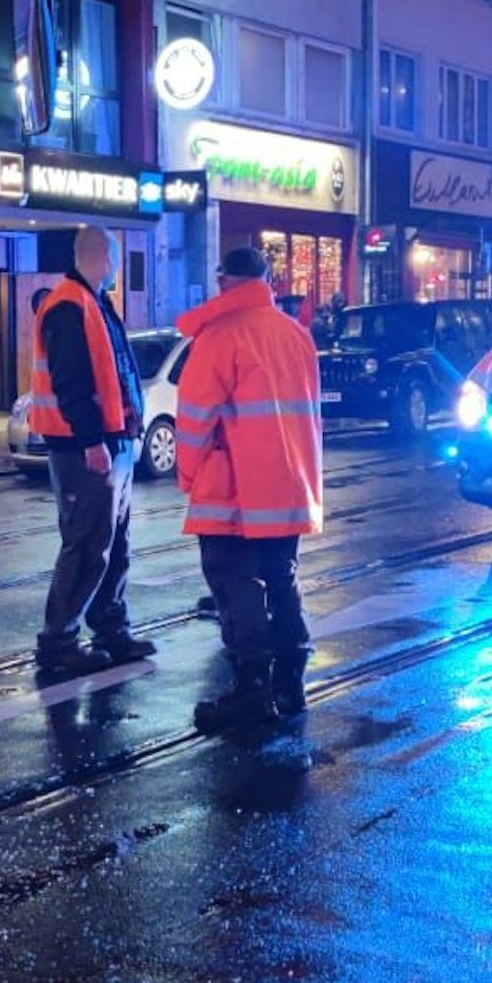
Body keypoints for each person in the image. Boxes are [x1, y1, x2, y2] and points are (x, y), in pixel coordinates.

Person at [177, 246, 324, 732]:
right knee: (282, 580)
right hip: (288, 484)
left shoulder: (219, 336)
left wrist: (189, 475)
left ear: (224, 281)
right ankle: (290, 684)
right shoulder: (295, 335)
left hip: (234, 489)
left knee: (234, 584)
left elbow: (195, 420)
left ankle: (252, 690)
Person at [28, 227, 156, 676]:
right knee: (86, 544)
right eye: (116, 256)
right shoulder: (69, 304)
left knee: (113, 543)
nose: (119, 266)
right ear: (103, 256)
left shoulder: (93, 302)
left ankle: (110, 628)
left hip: (110, 442)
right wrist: (91, 441)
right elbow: (72, 383)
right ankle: (59, 641)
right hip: (86, 447)